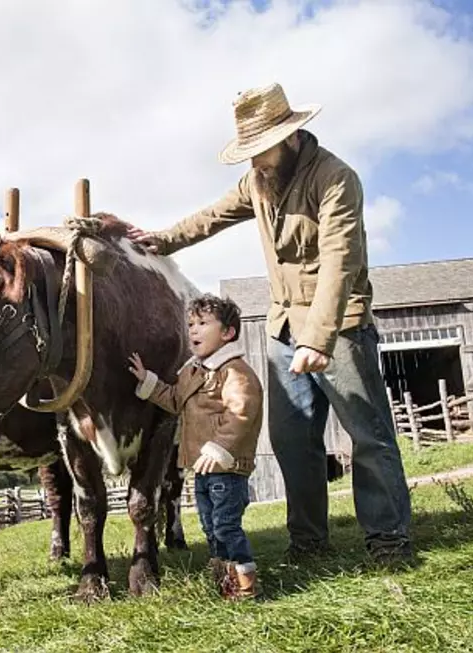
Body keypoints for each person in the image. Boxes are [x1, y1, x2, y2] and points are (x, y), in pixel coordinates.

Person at [126, 82, 412, 565]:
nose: (254, 161)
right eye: (249, 153)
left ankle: (388, 540)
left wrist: (319, 338)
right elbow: (212, 216)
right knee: (292, 438)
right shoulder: (257, 181)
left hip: (338, 324)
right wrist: (164, 240)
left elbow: (340, 262)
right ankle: (308, 541)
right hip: (284, 328)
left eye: (261, 150)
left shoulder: (337, 180)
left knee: (368, 436)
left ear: (290, 136)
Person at [129, 294, 263, 599]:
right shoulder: (194, 371)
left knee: (226, 526)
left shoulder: (234, 372)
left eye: (203, 324)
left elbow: (241, 412)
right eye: (190, 324)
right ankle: (225, 581)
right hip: (202, 468)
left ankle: (245, 583)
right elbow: (176, 400)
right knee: (210, 527)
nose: (193, 330)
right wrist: (147, 380)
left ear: (227, 333)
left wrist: (218, 447)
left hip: (227, 467)